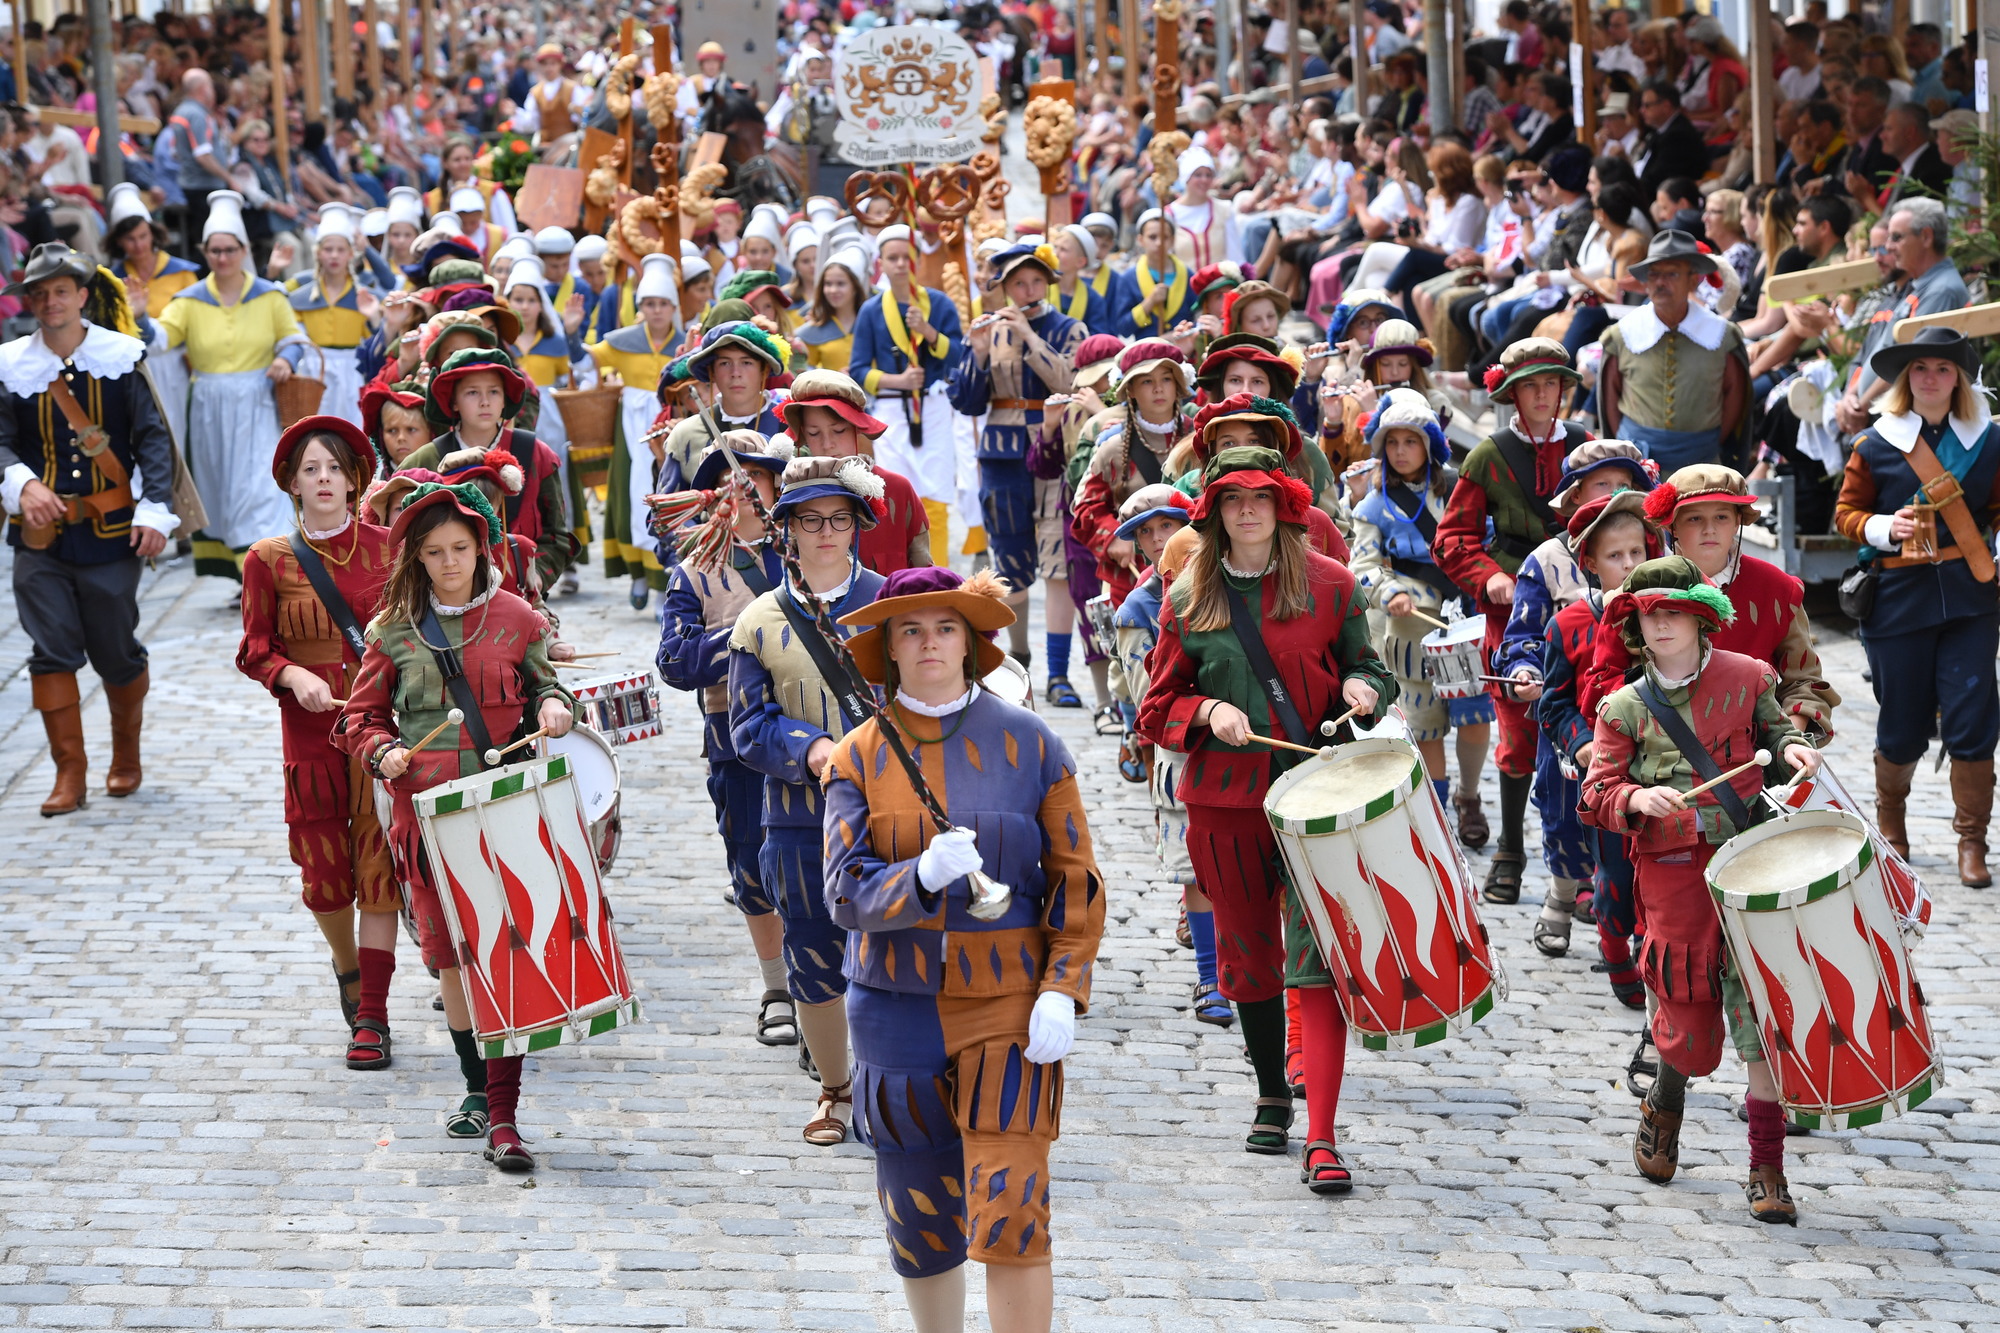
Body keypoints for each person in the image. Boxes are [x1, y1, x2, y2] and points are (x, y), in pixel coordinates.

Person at [824, 566, 1106, 1333]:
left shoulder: (1033, 743)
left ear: (972, 642)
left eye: (945, 627)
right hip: (894, 1010)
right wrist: (915, 876)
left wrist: (1062, 985)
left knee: (1015, 1205)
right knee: (919, 1216)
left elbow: (1073, 878)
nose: (929, 643)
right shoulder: (856, 755)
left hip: (1007, 1007)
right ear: (888, 645)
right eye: (910, 629)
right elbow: (842, 892)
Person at [1138, 423, 1396, 1196]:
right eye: (1231, 500)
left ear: (1284, 506)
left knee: (1318, 961)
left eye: (1260, 498)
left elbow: (1369, 668)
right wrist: (1205, 711)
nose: (1247, 511)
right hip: (1227, 805)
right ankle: (1271, 1094)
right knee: (1250, 962)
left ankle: (1322, 1134)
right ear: (1213, 512)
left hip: (1317, 801)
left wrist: (1364, 690)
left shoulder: (1331, 583)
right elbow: (1156, 708)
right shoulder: (1186, 598)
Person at [336, 482, 578, 1174]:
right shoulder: (391, 630)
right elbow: (360, 719)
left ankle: (503, 1114)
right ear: (416, 557)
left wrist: (556, 708)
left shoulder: (520, 619)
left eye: (461, 550)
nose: (450, 564)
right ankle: (476, 1084)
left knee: (503, 952)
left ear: (481, 549)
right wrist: (382, 751)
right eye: (436, 552)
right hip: (428, 821)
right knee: (452, 960)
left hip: (505, 813)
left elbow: (547, 687)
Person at [1578, 555, 1820, 1226]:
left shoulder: (1747, 677)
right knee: (1685, 1011)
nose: (1661, 623)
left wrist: (1794, 745)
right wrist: (1633, 796)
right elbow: (1595, 792)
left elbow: (1777, 731)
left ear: (1701, 616)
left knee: (1760, 1016)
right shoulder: (1622, 707)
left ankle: (1767, 1166)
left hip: (1749, 861)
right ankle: (1667, 1096)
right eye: (1650, 613)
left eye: (1674, 611)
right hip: (1672, 871)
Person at [728, 455, 889, 1144]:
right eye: (810, 521)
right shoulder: (759, 620)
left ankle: (890, 1083)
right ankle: (834, 1086)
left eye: (839, 519)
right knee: (814, 951)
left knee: (890, 946)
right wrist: (812, 749)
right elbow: (745, 725)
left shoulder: (894, 601)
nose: (827, 533)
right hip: (797, 817)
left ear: (856, 525)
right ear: (787, 530)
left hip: (889, 813)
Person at [237, 416, 396, 1066]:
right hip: (310, 742)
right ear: (293, 485)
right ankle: (349, 969)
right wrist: (290, 672)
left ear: (355, 479)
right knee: (325, 881)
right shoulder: (267, 560)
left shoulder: (392, 547)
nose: (324, 478)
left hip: (380, 735)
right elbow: (254, 649)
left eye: (334, 467)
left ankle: (374, 1014)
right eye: (311, 470)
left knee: (381, 873)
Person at [0, 243, 179, 816]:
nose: (50, 302)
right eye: (39, 293)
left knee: (115, 651)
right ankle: (68, 774)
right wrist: (23, 484)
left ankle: (125, 754)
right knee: (50, 651)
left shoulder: (122, 357)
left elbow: (152, 439)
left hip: (111, 534)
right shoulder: (10, 365)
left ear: (81, 295)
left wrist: (154, 510)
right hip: (39, 539)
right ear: (30, 302)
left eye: (60, 291)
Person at [1833, 329, 2000, 888]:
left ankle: (1972, 841)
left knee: (1975, 718)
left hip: (1972, 598)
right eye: (1921, 368)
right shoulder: (1875, 443)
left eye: (1943, 369)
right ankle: (1892, 822)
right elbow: (1847, 515)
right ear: (1907, 380)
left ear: (1959, 378)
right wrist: (1884, 526)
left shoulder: (1990, 440)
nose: (1931, 377)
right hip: (1898, 603)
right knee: (1902, 724)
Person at [1433, 339, 1591, 903]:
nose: (1544, 394)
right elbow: (1452, 540)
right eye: (1532, 385)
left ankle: (1585, 864)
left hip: (1583, 613)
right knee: (1521, 732)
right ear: (1514, 394)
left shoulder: (1587, 446)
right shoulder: (1488, 455)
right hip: (1516, 614)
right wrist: (1489, 577)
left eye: (1552, 383)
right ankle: (1510, 850)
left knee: (1589, 725)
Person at [655, 433, 794, 1045]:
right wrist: (745, 632)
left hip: (813, 734)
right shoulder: (693, 573)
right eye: (732, 480)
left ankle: (823, 977)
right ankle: (776, 986)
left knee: (816, 862)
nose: (746, 489)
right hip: (733, 740)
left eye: (758, 479)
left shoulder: (806, 551)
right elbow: (676, 662)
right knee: (751, 866)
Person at [1348, 388, 1496, 840]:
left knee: (1474, 718)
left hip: (1465, 622)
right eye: (1391, 443)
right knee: (1427, 725)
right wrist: (1390, 590)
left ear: (1429, 443)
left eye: (1410, 441)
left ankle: (1468, 798)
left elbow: (1483, 540)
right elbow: (1364, 566)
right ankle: (1438, 815)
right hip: (1411, 632)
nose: (1400, 451)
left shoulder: (1460, 490)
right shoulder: (1374, 505)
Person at [1108, 485, 1225, 1027]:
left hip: (1239, 749)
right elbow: (1143, 690)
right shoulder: (1139, 607)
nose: (1159, 540)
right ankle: (1210, 975)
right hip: (1179, 752)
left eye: (1169, 527)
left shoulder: (1227, 586)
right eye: (1146, 533)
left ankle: (1246, 967)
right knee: (1196, 870)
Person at [155, 190, 311, 580]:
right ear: (205, 252)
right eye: (214, 251)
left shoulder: (270, 296)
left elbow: (294, 339)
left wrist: (283, 359)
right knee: (220, 487)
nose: (222, 258)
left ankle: (264, 567)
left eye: (229, 249)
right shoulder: (188, 300)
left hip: (257, 401)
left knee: (258, 483)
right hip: (208, 405)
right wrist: (139, 317)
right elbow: (160, 338)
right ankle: (241, 573)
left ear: (243, 250)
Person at [947, 243, 1087, 672]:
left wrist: (1028, 336)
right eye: (1018, 283)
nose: (1028, 290)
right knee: (1009, 555)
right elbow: (967, 402)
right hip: (1002, 454)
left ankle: (1060, 671)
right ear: (1005, 289)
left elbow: (1072, 379)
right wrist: (977, 352)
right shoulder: (991, 329)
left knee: (1058, 556)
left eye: (1035, 282)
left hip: (1054, 449)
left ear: (1047, 284)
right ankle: (1019, 655)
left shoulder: (1068, 328)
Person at [1536, 491, 1657, 981]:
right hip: (1605, 776)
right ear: (1589, 562)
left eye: (1637, 553)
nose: (1628, 565)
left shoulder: (1670, 615)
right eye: (1614, 556)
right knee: (1615, 873)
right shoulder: (1568, 625)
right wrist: (1584, 742)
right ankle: (1614, 949)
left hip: (1665, 770)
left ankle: (1654, 962)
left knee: (1660, 876)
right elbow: (1554, 703)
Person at [397, 348, 575, 594]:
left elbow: (556, 534)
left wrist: (536, 576)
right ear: (453, 401)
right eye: (472, 392)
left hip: (519, 590)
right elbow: (396, 529)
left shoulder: (536, 453)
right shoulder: (424, 459)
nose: (485, 401)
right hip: (440, 594)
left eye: (494, 391)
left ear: (505, 400)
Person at [848, 225, 966, 562]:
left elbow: (959, 354)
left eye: (907, 257)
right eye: (893, 258)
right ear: (881, 263)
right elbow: (858, 370)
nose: (901, 265)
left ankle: (937, 571)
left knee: (937, 494)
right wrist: (897, 380)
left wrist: (929, 333)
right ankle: (901, 570)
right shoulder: (872, 310)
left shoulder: (938, 303)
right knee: (896, 493)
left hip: (933, 405)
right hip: (892, 410)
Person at [1598, 230, 1750, 474]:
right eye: (1654, 274)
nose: (1660, 282)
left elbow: (1735, 398)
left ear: (1693, 280)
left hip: (1703, 460)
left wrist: (1705, 442)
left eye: (1671, 274)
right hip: (1637, 464)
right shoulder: (1622, 335)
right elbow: (1610, 401)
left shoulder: (1722, 336)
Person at [589, 253, 690, 607]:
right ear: (640, 306)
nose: (657, 310)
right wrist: (572, 332)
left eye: (663, 303)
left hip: (671, 423)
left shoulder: (685, 343)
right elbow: (587, 360)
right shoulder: (622, 341)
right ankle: (637, 574)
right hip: (630, 429)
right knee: (630, 494)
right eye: (649, 303)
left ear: (674, 306)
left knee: (667, 494)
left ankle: (665, 582)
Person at [775, 369, 932, 577]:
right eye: (814, 433)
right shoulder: (790, 497)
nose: (828, 444)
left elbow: (924, 575)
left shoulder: (896, 489)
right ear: (802, 435)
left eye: (839, 430)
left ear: (856, 428)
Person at [103, 182, 199, 451]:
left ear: (154, 234)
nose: (138, 245)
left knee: (180, 435)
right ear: (119, 242)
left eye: (143, 236)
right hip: (134, 368)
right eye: (130, 239)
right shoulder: (113, 279)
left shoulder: (182, 273)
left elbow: (194, 324)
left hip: (176, 367)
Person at [287, 204, 378, 427]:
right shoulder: (301, 295)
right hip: (313, 372)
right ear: (318, 252)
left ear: (350, 253)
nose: (334, 256)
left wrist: (375, 317)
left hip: (350, 373)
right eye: (328, 249)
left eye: (340, 250)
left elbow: (376, 341)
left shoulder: (363, 297)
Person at [1110, 211, 1197, 339]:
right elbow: (1123, 328)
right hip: (1146, 353)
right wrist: (1149, 302)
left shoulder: (1188, 276)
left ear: (1172, 240)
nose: (1159, 243)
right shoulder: (1129, 278)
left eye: (1165, 237)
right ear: (1140, 240)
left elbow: (1197, 317)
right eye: (1152, 237)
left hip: (1182, 351)